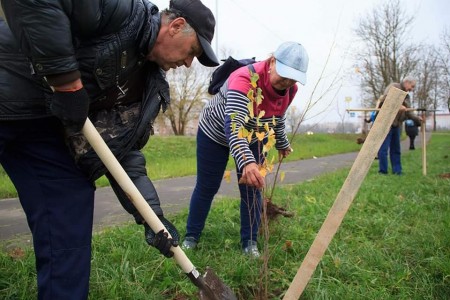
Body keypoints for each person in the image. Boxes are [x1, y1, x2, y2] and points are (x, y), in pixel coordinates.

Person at [0, 0, 218, 298]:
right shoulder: (121, 12)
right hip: (7, 89)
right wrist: (66, 82)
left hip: (45, 134)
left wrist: (152, 218)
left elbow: (119, 151)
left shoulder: (148, 88)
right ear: (176, 26)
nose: (189, 63)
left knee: (70, 210)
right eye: (192, 52)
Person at [182, 41, 309, 257]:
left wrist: (282, 142)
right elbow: (234, 125)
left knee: (252, 189)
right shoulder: (244, 78)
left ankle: (249, 243)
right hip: (216, 133)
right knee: (207, 186)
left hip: (254, 135)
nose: (286, 82)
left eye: (292, 79)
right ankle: (191, 237)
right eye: (284, 75)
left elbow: (278, 116)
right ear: (271, 63)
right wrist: (247, 162)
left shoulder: (290, 89)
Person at [376, 76, 422, 175]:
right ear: (406, 82)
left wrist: (418, 120)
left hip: (396, 125)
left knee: (396, 149)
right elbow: (385, 100)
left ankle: (397, 171)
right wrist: (398, 105)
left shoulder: (406, 96)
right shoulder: (394, 86)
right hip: (386, 123)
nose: (412, 89)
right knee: (383, 149)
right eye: (412, 86)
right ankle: (383, 171)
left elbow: (408, 111)